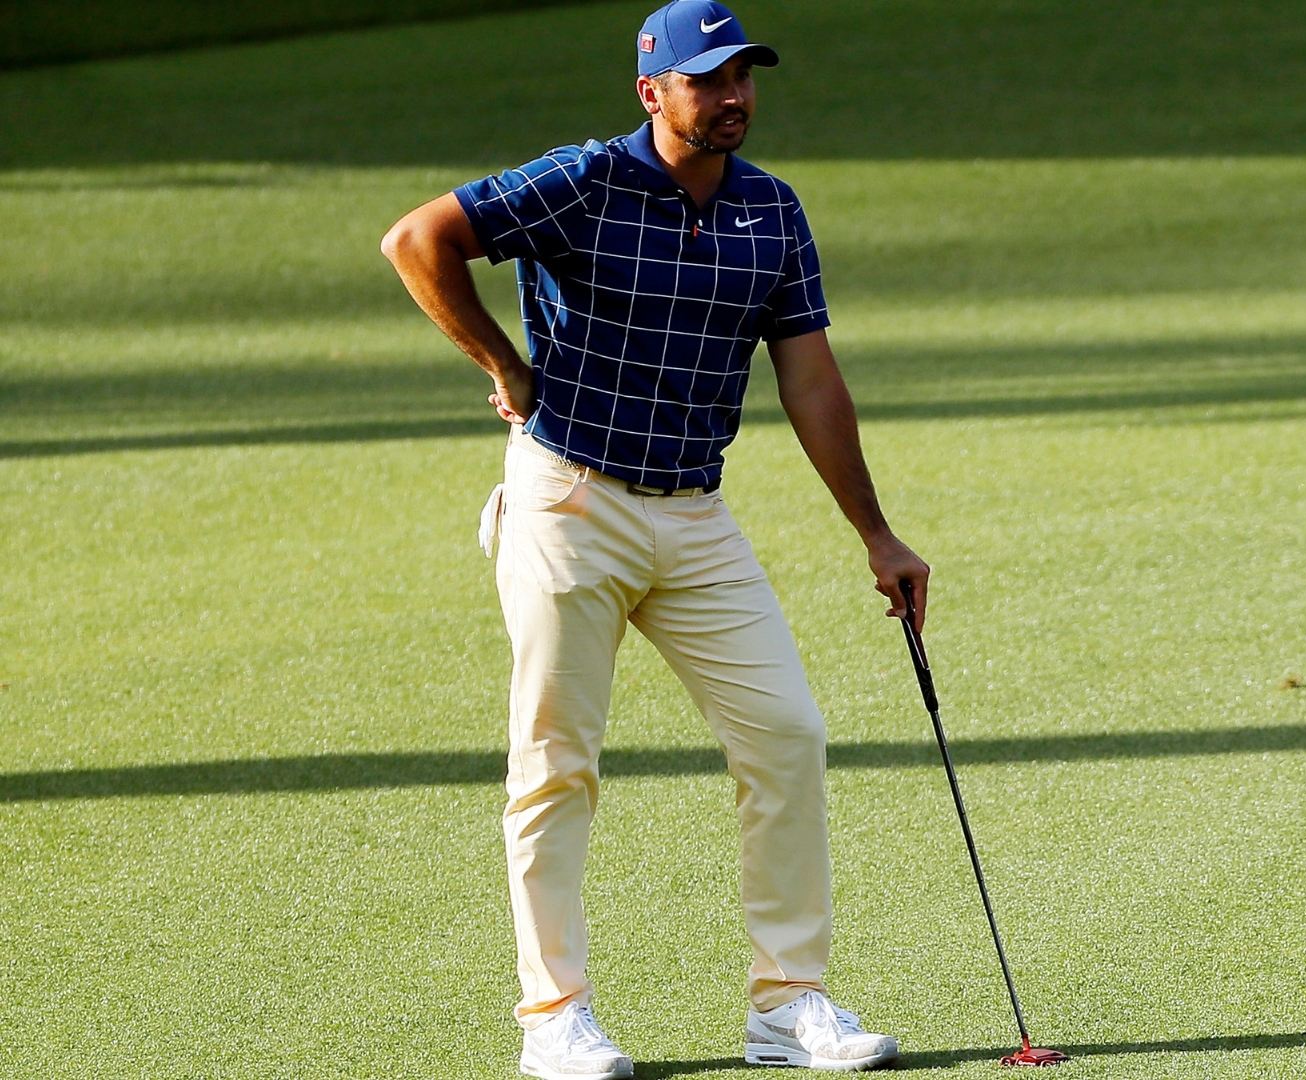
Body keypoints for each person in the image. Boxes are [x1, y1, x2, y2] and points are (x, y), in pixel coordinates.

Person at [379, 2, 928, 1074]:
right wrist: (502, 364)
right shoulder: (581, 181)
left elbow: (808, 376)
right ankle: (554, 1021)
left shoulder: (772, 212)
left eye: (744, 79)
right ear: (653, 93)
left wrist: (877, 532)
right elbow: (419, 240)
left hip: (694, 513)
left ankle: (789, 1004)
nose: (732, 98)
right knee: (556, 764)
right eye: (708, 80)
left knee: (786, 735)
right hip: (569, 501)